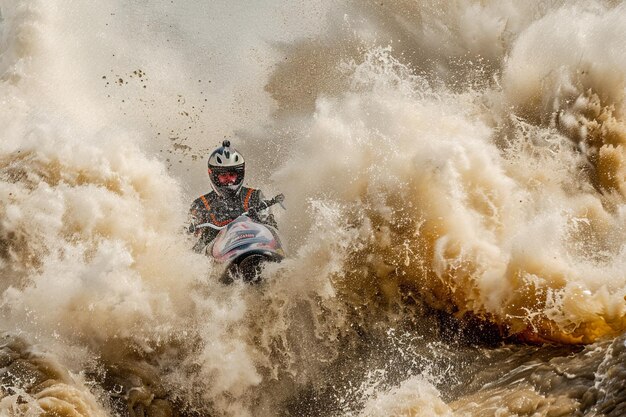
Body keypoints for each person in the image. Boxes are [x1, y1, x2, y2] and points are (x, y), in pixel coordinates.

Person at [188, 140, 277, 253]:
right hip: (218, 255)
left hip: (253, 246)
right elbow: (188, 242)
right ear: (214, 176)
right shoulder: (200, 204)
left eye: (232, 175)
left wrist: (259, 220)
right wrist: (191, 229)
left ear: (240, 174)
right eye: (223, 175)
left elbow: (273, 229)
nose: (229, 179)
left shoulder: (255, 196)